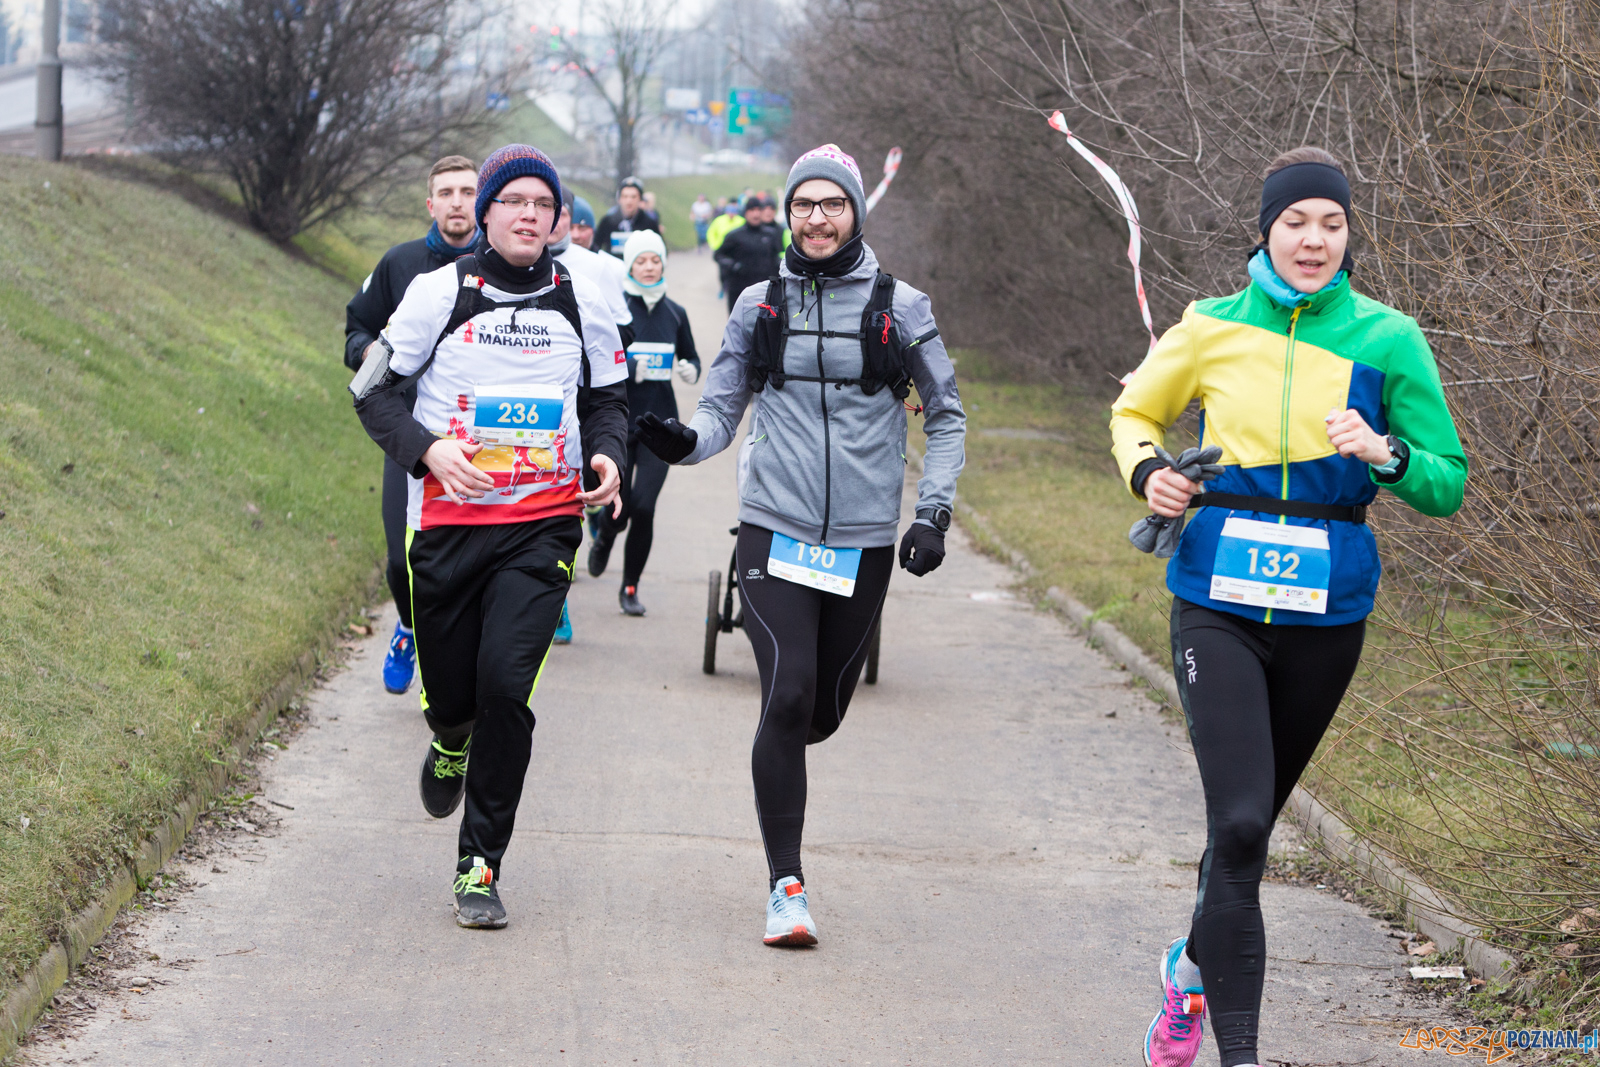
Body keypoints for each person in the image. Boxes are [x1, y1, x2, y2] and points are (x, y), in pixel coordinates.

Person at [1109, 147, 1467, 1067]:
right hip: (1217, 597)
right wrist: (1150, 473)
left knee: (1252, 822)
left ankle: (1191, 970)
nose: (1314, 239)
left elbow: (1446, 482)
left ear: (1350, 235)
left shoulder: (1388, 339)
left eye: (1332, 223)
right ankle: (1239, 1052)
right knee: (1236, 823)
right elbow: (1132, 415)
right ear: (1266, 229)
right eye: (1296, 221)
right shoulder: (1209, 325)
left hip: (1326, 609)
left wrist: (1386, 453)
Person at [634, 144, 966, 947]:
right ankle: (786, 885)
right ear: (788, 213)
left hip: (862, 540)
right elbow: (720, 408)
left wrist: (932, 511)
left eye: (832, 204)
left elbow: (947, 414)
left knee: (819, 712)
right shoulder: (759, 304)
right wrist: (685, 443)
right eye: (804, 204)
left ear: (854, 211)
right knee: (784, 696)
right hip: (772, 526)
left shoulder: (902, 307)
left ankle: (792, 766)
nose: (817, 217)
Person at [349, 144, 629, 929]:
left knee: (509, 689)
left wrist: (607, 452)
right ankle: (448, 737)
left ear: (558, 218)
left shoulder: (583, 296)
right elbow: (371, 393)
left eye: (543, 203)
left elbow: (611, 399)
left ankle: (480, 864)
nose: (529, 214)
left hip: (540, 526)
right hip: (444, 524)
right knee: (455, 694)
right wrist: (430, 450)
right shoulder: (441, 293)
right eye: (514, 201)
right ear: (487, 212)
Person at [344, 155, 480, 696]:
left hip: (479, 435)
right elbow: (356, 328)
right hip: (410, 433)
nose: (456, 202)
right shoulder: (400, 265)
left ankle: (462, 658)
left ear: (483, 199)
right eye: (445, 192)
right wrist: (368, 350)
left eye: (467, 191)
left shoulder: (504, 269)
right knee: (403, 561)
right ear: (430, 204)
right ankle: (406, 626)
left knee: (475, 556)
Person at [587, 230, 701, 615]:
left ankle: (630, 588)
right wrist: (628, 365)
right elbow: (596, 360)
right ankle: (605, 534)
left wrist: (689, 367)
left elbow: (691, 356)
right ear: (630, 266)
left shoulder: (675, 313)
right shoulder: (616, 309)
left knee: (645, 507)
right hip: (620, 421)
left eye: (655, 261)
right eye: (641, 261)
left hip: (660, 425)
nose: (649, 267)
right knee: (621, 508)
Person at [544, 188, 636, 644]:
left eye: (559, 213)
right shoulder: (502, 267)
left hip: (583, 401)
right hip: (534, 404)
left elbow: (626, 328)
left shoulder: (597, 268)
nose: (553, 221)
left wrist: (584, 344)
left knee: (565, 506)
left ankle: (554, 592)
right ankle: (548, 599)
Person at [713, 196, 782, 313]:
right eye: (751, 210)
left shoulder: (771, 235)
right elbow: (718, 255)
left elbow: (776, 257)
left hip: (764, 291)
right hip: (740, 290)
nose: (755, 214)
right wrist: (733, 265)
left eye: (758, 210)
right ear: (745, 213)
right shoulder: (734, 235)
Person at [593, 176, 661, 259]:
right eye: (625, 196)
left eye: (633, 197)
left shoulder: (649, 223)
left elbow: (660, 249)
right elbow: (596, 246)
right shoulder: (607, 222)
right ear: (619, 199)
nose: (629, 201)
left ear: (640, 199)